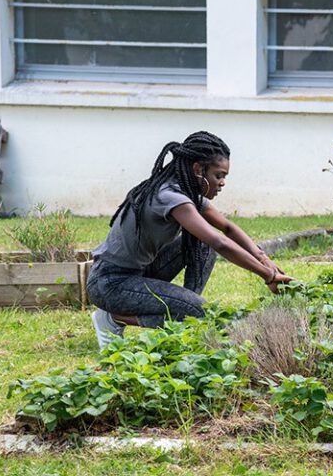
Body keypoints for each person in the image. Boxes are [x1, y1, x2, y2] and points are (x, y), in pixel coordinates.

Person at [87, 131, 291, 349]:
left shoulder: (185, 193)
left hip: (140, 272)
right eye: (218, 175)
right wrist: (268, 275)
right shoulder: (169, 196)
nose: (222, 183)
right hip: (110, 283)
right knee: (201, 311)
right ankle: (114, 318)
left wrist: (263, 258)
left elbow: (228, 228)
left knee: (200, 248)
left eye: (225, 177)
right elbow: (219, 242)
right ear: (197, 169)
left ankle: (187, 312)